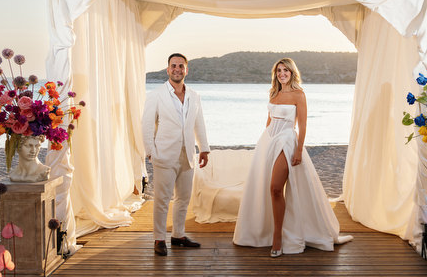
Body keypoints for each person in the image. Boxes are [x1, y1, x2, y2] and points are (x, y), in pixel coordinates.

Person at [233, 58, 352, 257]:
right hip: (268, 141)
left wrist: (298, 150)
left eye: (286, 70)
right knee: (264, 188)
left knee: (275, 187)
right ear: (275, 74)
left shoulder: (299, 94)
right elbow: (269, 121)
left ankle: (278, 237)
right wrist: (264, 145)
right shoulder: (274, 93)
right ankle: (267, 231)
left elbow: (303, 126)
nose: (282, 74)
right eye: (279, 70)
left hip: (287, 141)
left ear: (292, 73)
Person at [142, 53, 210, 256]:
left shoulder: (194, 95)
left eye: (181, 66)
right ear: (168, 69)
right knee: (162, 199)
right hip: (164, 155)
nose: (177, 69)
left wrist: (204, 148)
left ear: (186, 70)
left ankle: (178, 235)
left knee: (183, 198)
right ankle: (159, 239)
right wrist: (150, 152)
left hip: (188, 154)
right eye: (173, 66)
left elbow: (199, 123)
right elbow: (146, 125)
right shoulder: (156, 95)